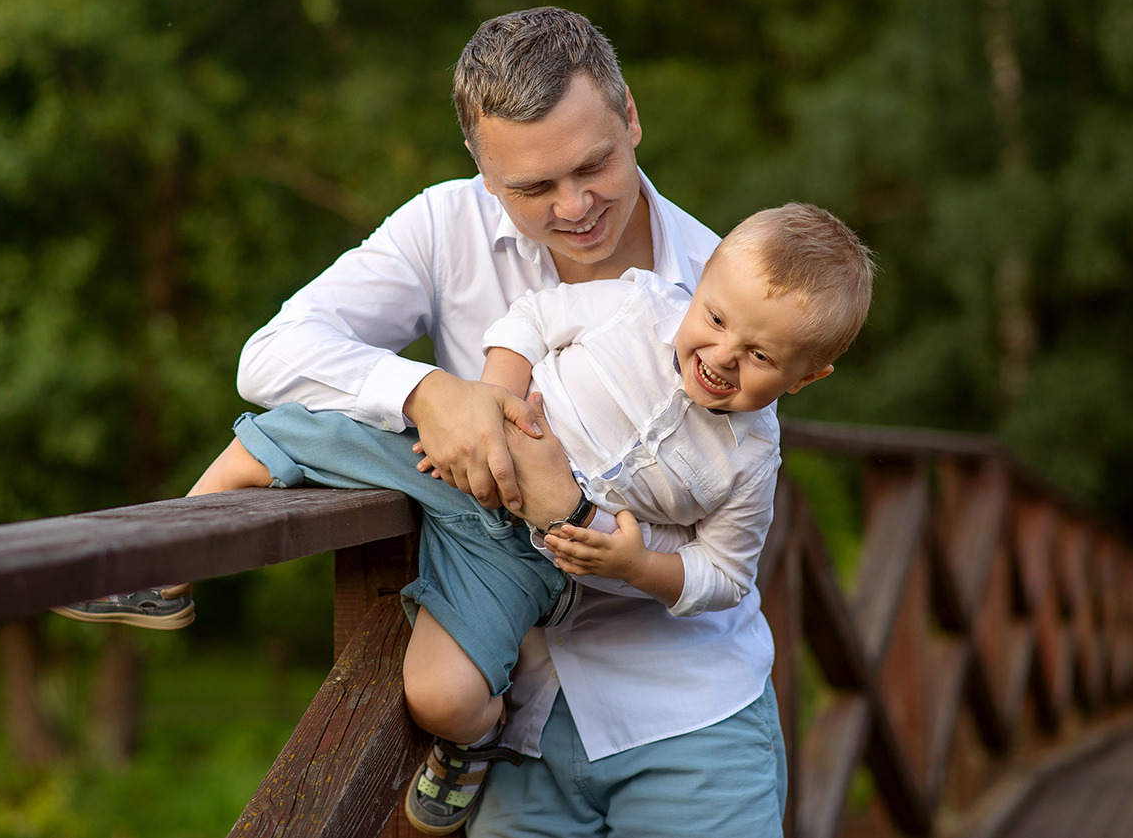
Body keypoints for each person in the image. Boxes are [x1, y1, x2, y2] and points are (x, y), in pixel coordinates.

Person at [64, 6, 805, 837]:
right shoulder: (443, 227)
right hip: (515, 714)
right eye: (533, 187)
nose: (576, 205)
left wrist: (572, 512)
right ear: (482, 170)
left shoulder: (734, 296)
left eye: (593, 164)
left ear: (630, 115)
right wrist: (426, 392)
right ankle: (165, 563)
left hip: (690, 711)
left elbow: (724, 529)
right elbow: (270, 356)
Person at [200, 202, 872, 834]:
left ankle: (474, 735)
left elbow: (724, 574)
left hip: (553, 585)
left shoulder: (749, 459)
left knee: (442, 692)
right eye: (716, 319)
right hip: (472, 479)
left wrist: (638, 564)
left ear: (806, 377)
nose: (723, 356)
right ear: (700, 285)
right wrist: (488, 402)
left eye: (760, 356)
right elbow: (530, 319)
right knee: (326, 434)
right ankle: (186, 537)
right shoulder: (634, 303)